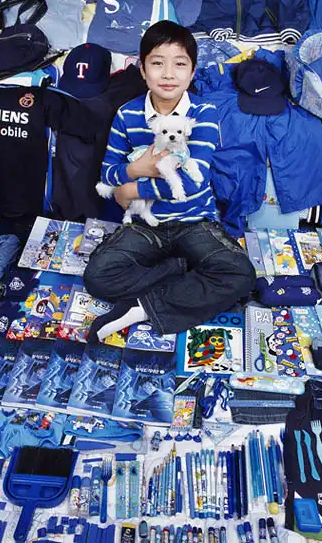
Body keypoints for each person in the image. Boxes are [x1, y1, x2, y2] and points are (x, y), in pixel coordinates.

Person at [84, 20, 255, 341]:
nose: (168, 74)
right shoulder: (127, 114)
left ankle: (140, 308)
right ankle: (181, 272)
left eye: (179, 64)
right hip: (146, 224)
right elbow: (107, 173)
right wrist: (139, 167)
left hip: (194, 222)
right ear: (142, 69)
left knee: (241, 274)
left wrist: (131, 187)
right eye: (157, 63)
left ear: (192, 72)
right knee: (97, 276)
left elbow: (190, 184)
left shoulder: (203, 113)